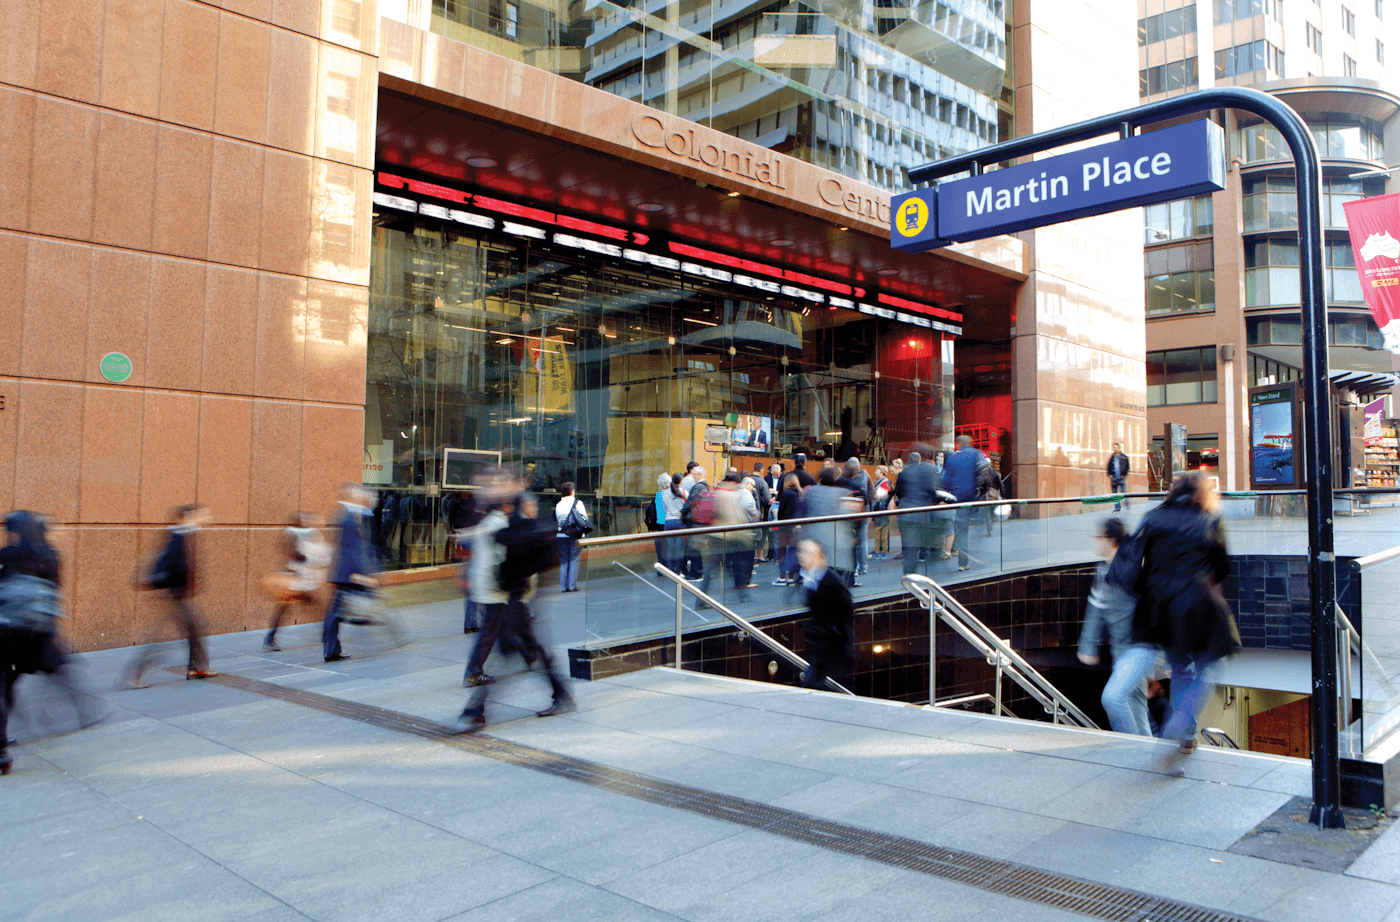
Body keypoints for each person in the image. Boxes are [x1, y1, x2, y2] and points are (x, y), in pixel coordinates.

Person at [1127, 471, 1240, 770]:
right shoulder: (1210, 519)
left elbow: (1136, 561)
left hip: (1160, 606)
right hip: (1197, 603)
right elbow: (1223, 566)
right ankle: (1180, 722)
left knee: (1179, 667)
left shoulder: (1154, 517)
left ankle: (1186, 737)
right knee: (1211, 665)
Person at [454, 490, 573, 733]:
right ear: (521, 507)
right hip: (515, 602)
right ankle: (560, 695)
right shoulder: (520, 529)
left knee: (515, 654)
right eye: (532, 506)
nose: (535, 510)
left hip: (516, 602)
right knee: (525, 652)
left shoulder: (519, 529)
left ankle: (475, 712)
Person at [0, 512, 102, 774]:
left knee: (3, 685)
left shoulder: (7, 554)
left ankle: (2, 750)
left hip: (6, 631)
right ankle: (85, 710)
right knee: (37, 676)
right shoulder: (50, 555)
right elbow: (54, 593)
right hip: (37, 635)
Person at [1076, 518, 1154, 736]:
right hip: (1122, 651)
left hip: (1137, 649)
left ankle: (1132, 748)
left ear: (1110, 540)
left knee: (1113, 699)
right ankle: (1144, 751)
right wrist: (1088, 646)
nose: (1096, 542)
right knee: (1135, 706)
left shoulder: (1130, 569)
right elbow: (1096, 608)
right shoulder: (1105, 571)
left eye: (1098, 537)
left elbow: (1152, 608)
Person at [125, 504, 217, 686]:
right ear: (187, 517)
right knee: (161, 640)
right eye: (200, 515)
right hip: (173, 596)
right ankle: (133, 676)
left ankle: (196, 668)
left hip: (176, 594)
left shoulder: (182, 534)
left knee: (195, 629)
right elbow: (172, 564)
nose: (205, 518)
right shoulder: (177, 536)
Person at [322, 485, 378, 663]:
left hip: (343, 571)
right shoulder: (347, 518)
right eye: (359, 494)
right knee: (335, 613)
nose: (362, 497)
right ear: (351, 496)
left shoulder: (346, 514)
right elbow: (350, 549)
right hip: (346, 572)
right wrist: (360, 573)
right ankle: (330, 649)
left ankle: (331, 649)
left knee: (335, 613)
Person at [263, 513, 332, 651]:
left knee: (313, 606)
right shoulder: (293, 534)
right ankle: (269, 639)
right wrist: (314, 557)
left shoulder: (307, 534)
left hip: (301, 578)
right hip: (295, 578)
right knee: (289, 608)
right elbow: (295, 554)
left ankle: (270, 638)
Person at [796, 539, 854, 691]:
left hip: (834, 646)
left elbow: (847, 609)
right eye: (800, 551)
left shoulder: (830, 580)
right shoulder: (809, 576)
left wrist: (833, 630)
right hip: (821, 645)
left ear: (819, 557)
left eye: (808, 553)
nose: (802, 556)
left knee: (828, 684)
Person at [804, 467, 858, 587]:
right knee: (836, 575)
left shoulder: (811, 491)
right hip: (836, 538)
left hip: (815, 538)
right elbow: (847, 514)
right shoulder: (841, 493)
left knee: (818, 573)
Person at [893, 449, 936, 575]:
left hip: (905, 510)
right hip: (921, 511)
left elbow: (898, 491)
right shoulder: (925, 472)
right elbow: (931, 491)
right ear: (919, 460)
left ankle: (909, 575)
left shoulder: (903, 473)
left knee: (909, 547)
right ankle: (923, 557)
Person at [942, 435, 982, 572]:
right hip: (975, 497)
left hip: (958, 498)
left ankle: (962, 563)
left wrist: (946, 497)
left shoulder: (952, 458)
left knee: (962, 530)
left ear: (958, 444)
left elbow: (946, 481)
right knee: (967, 529)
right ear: (971, 442)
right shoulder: (976, 454)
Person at [837, 457, 872, 577]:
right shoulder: (865, 475)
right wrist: (867, 504)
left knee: (850, 538)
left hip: (848, 512)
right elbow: (871, 492)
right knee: (862, 538)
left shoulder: (842, 479)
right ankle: (863, 565)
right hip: (864, 509)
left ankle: (854, 567)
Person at [680, 466, 713, 584]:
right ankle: (698, 571)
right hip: (702, 521)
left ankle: (696, 573)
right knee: (697, 547)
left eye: (694, 473)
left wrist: (681, 512)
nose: (692, 475)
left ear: (699, 474)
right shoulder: (706, 487)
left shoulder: (698, 487)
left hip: (696, 521)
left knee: (694, 548)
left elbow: (690, 502)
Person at [554, 482, 589, 592]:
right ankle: (572, 586)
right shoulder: (578, 503)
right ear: (572, 491)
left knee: (564, 561)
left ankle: (563, 587)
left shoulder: (558, 504)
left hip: (560, 535)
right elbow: (584, 519)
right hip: (575, 535)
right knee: (574, 560)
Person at [773, 473, 804, 587]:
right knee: (793, 552)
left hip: (785, 527)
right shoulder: (801, 494)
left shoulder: (786, 494)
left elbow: (781, 511)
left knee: (781, 552)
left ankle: (782, 577)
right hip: (797, 528)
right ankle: (791, 577)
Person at [743, 463, 772, 562]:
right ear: (761, 470)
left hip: (745, 515)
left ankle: (750, 556)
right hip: (760, 513)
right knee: (761, 535)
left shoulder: (746, 480)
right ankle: (760, 556)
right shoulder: (762, 482)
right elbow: (767, 499)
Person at [1107, 443, 1131, 511]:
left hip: (1121, 477)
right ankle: (1117, 508)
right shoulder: (1112, 457)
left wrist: (1124, 474)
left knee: (1123, 492)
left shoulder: (1124, 457)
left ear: (1119, 448)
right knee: (1114, 494)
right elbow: (1109, 466)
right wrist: (1110, 474)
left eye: (1116, 447)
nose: (1115, 449)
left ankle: (1127, 503)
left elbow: (1127, 467)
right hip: (1113, 478)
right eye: (1114, 447)